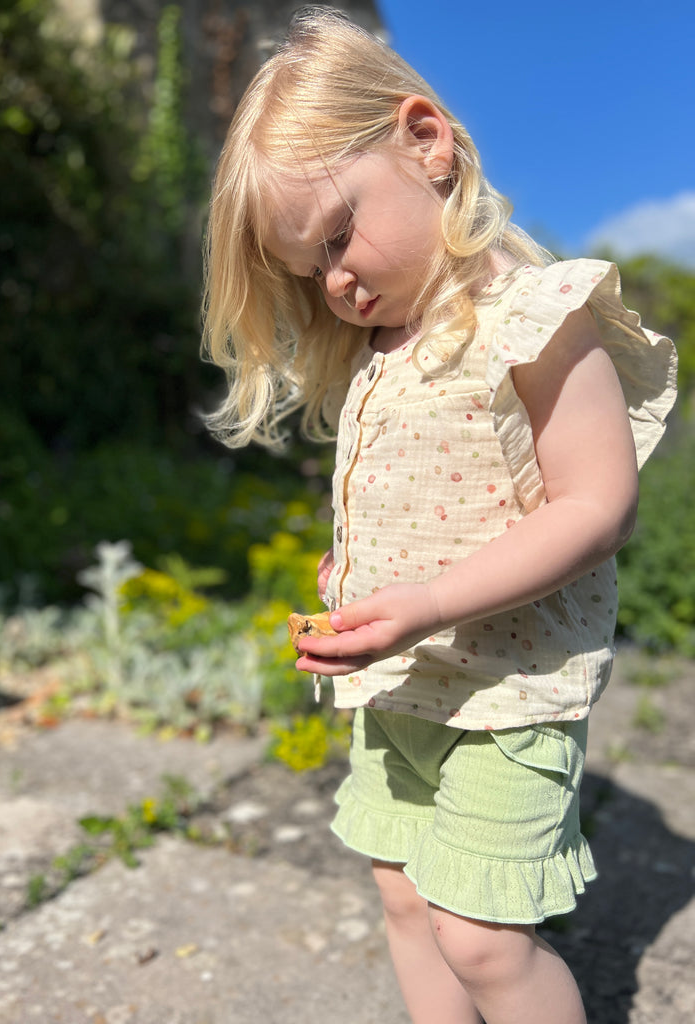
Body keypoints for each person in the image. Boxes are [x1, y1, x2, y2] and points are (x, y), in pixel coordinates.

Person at [200, 8, 677, 1023]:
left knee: (484, 936)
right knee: (402, 891)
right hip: (406, 682)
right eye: (307, 272)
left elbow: (598, 502)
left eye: (336, 235)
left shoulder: (536, 315)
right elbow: (412, 497)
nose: (334, 281)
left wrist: (427, 600)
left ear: (425, 140)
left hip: (510, 690)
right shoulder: (388, 352)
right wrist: (358, 582)